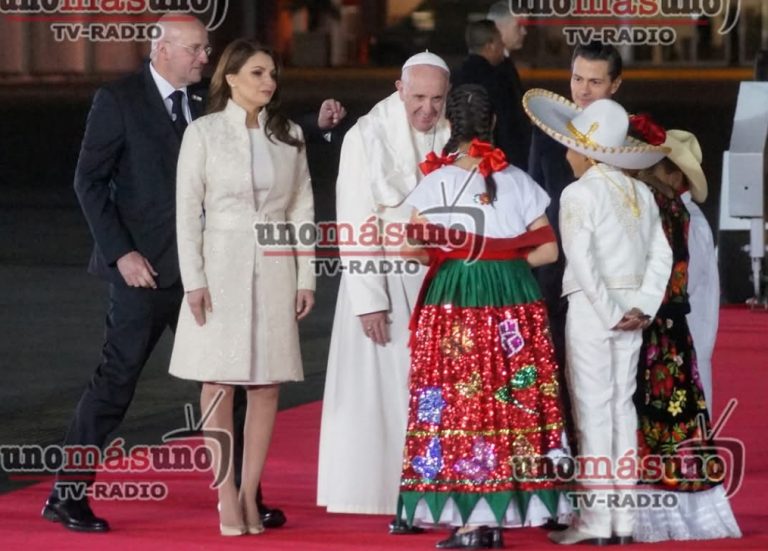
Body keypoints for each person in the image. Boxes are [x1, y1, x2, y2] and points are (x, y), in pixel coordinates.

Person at [41, 14, 212, 533]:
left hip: (198, 275)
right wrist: (121, 255)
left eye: (207, 48)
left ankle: (243, 496)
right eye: (197, 49)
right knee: (115, 385)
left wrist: (319, 128)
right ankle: (66, 497)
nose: (206, 57)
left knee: (228, 383)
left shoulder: (208, 103)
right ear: (161, 49)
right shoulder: (117, 101)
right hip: (140, 275)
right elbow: (87, 182)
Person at [397, 84, 571, 549]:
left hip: (455, 299)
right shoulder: (515, 180)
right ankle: (505, 512)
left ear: (449, 126)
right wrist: (504, 261)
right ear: (493, 124)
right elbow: (549, 249)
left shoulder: (435, 183)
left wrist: (457, 258)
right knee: (511, 399)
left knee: (460, 403)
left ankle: (472, 521)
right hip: (513, 299)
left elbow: (410, 247)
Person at [168, 38, 315, 536]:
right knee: (217, 383)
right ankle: (226, 495)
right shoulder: (204, 133)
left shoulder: (290, 133)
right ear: (230, 79)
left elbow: (301, 209)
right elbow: (187, 213)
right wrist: (195, 281)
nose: (269, 83)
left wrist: (307, 275)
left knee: (267, 384)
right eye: (257, 73)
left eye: (272, 74)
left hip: (275, 267)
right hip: (220, 267)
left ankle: (252, 494)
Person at [522, 89, 673, 545]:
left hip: (594, 312)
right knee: (621, 409)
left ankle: (595, 518)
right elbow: (661, 256)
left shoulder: (577, 194)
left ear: (586, 152)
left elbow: (582, 262)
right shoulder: (641, 193)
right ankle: (622, 520)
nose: (567, 153)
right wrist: (642, 306)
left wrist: (610, 311)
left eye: (571, 145)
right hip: (633, 314)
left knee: (592, 412)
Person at [316, 52, 451, 524]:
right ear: (399, 88)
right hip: (383, 284)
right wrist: (370, 301)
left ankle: (431, 488)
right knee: (387, 394)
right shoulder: (366, 135)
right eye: (418, 97)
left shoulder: (451, 132)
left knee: (430, 391)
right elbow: (354, 221)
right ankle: (388, 494)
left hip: (436, 284)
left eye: (436, 99)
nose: (427, 110)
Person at [626, 122, 741, 542]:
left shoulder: (658, 207)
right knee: (676, 421)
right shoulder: (676, 209)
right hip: (676, 330)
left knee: (656, 420)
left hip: (658, 326)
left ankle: (651, 512)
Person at [527, 41, 624, 454]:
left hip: (608, 275)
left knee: (607, 377)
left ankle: (606, 461)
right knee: (554, 369)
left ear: (616, 85)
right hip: (554, 272)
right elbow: (533, 201)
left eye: (595, 82)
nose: (583, 91)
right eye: (577, 79)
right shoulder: (546, 132)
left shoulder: (627, 139)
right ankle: (561, 459)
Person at [452, 20, 515, 164]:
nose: (503, 45)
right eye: (500, 41)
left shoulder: (456, 76)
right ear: (491, 45)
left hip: (461, 158)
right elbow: (508, 126)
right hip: (494, 159)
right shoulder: (497, 79)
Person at [486, 1, 531, 171]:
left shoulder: (505, 65)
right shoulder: (491, 69)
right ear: (497, 27)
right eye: (519, 26)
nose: (524, 32)